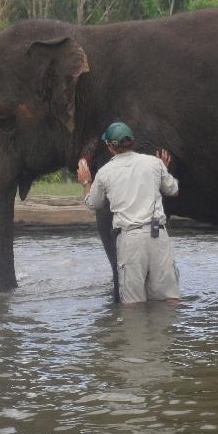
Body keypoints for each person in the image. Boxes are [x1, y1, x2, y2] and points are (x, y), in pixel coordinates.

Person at [78, 121, 180, 306]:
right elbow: (173, 190)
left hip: (130, 239)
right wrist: (162, 168)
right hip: (158, 234)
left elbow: (93, 204)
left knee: (133, 305)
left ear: (110, 147)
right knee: (170, 299)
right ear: (132, 141)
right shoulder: (154, 163)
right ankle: (169, 334)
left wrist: (86, 182)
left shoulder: (104, 172)